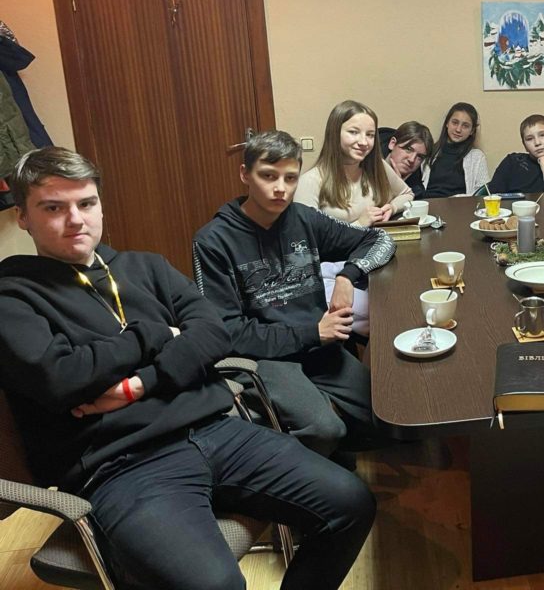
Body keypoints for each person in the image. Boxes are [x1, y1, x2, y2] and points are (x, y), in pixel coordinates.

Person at [0, 147, 375, 590]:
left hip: (216, 429)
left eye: (87, 203)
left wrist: (143, 381)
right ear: (23, 216)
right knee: (216, 585)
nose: (76, 219)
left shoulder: (144, 267)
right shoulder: (13, 295)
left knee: (351, 503)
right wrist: (155, 334)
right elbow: (62, 377)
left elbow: (214, 332)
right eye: (53, 208)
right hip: (122, 464)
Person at [192, 131, 395, 457]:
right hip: (268, 358)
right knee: (326, 430)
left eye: (290, 178)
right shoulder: (214, 240)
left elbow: (378, 240)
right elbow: (226, 332)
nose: (280, 189)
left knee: (391, 416)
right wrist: (311, 333)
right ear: (245, 174)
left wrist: (348, 276)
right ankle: (304, 466)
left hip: (320, 347)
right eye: (268, 176)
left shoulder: (303, 219)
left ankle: (334, 448)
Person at [295, 100, 413, 225]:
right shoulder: (310, 181)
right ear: (335, 134)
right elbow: (305, 239)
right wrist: (359, 224)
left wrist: (392, 207)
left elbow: (407, 194)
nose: (364, 142)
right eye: (353, 132)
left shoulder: (378, 167)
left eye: (370, 135)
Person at [486, 113, 544, 193]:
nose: (537, 143)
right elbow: (493, 197)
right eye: (529, 139)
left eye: (542, 135)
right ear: (524, 145)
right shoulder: (512, 162)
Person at [423, 102, 489, 196]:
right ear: (447, 123)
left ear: (472, 131)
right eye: (455, 123)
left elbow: (483, 192)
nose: (458, 129)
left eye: (465, 126)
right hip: (428, 206)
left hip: (460, 207)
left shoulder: (477, 157)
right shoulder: (429, 151)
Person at [383, 120, 434, 198]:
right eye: (408, 149)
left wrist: (399, 188)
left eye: (419, 156)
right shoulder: (367, 160)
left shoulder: (416, 188)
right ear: (392, 144)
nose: (412, 159)